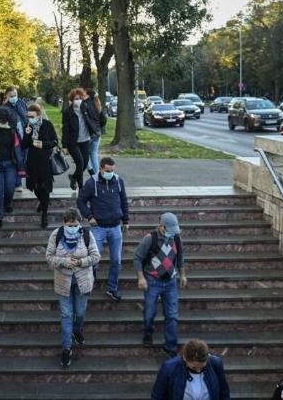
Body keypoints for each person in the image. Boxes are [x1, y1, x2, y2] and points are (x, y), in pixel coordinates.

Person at [45, 207, 100, 368]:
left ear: (79, 223)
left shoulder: (87, 235)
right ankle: (66, 348)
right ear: (64, 223)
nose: (72, 227)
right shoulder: (56, 235)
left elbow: (96, 256)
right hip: (64, 284)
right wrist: (63, 262)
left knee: (80, 312)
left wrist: (81, 262)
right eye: (69, 225)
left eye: (75, 224)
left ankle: (78, 330)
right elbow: (49, 257)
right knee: (66, 314)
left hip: (83, 283)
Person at [135, 212, 187, 357]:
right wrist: (141, 278)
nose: (172, 233)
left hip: (171, 282)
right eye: (169, 230)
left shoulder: (176, 238)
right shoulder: (149, 239)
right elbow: (137, 258)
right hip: (152, 281)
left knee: (172, 315)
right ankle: (148, 333)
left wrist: (183, 275)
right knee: (150, 312)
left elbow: (181, 257)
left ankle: (171, 346)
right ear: (161, 227)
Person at [76, 157, 129, 301]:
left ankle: (112, 288)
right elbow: (80, 201)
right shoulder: (91, 183)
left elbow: (123, 201)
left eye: (112, 171)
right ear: (100, 169)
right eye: (107, 171)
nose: (110, 173)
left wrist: (126, 220)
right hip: (98, 227)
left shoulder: (118, 181)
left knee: (116, 261)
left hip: (115, 227)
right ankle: (90, 283)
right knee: (94, 260)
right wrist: (89, 216)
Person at [150, 339, 231, 400]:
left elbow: (224, 392)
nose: (198, 370)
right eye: (194, 367)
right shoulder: (169, 368)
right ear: (184, 358)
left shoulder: (216, 363)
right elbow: (157, 396)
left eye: (202, 366)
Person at [21, 103, 58, 228]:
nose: (30, 119)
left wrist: (43, 144)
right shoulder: (28, 126)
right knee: (34, 187)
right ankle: (42, 202)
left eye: (32, 116)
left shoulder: (47, 125)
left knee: (45, 188)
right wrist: (27, 134)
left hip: (45, 161)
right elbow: (23, 145)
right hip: (32, 161)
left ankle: (44, 215)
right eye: (28, 116)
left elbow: (55, 141)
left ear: (39, 115)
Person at [62, 88, 94, 190]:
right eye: (76, 98)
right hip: (73, 142)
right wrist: (64, 145)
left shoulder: (86, 108)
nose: (79, 100)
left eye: (80, 98)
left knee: (84, 163)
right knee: (80, 163)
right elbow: (65, 129)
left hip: (85, 140)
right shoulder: (68, 112)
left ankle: (74, 177)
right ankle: (81, 188)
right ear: (72, 100)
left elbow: (94, 119)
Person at [0, 86, 28, 192]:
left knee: (23, 158)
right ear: (7, 96)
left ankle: (20, 181)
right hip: (13, 137)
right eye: (11, 96)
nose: (13, 97)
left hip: (25, 134)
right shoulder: (5, 107)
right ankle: (18, 184)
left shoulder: (21, 103)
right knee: (17, 159)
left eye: (15, 95)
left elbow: (26, 115)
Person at [82, 88, 106, 176]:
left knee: (84, 155)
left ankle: (92, 172)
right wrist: (98, 128)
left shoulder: (85, 105)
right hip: (97, 134)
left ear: (88, 95)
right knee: (94, 155)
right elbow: (104, 119)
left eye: (84, 94)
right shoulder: (97, 105)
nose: (82, 96)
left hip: (88, 133)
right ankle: (98, 176)